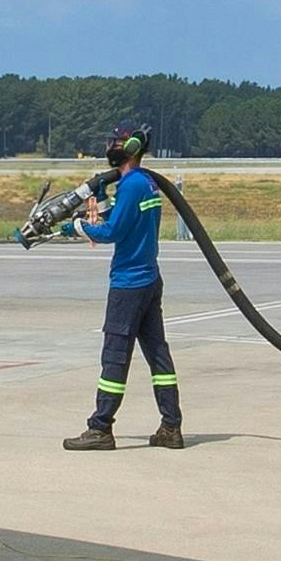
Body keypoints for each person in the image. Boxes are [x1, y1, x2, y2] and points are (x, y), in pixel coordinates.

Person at [63, 129, 182, 449]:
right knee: (158, 353)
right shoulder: (146, 183)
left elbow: (112, 231)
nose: (109, 148)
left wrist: (75, 227)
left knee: (114, 355)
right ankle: (171, 426)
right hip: (149, 279)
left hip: (128, 283)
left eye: (114, 143)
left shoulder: (132, 186)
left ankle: (101, 427)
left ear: (128, 149)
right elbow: (116, 218)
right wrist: (100, 195)